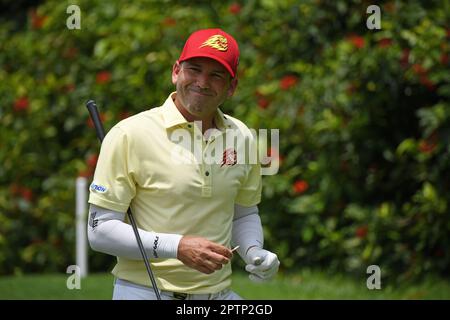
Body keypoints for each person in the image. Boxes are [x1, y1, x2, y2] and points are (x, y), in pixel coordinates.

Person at [87, 28, 280, 300]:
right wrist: (177, 247)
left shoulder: (243, 136)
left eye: (216, 75)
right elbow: (100, 231)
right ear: (176, 71)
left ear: (231, 87)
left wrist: (254, 251)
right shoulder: (129, 134)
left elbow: (244, 214)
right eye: (194, 69)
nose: (202, 82)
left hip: (219, 295)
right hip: (145, 293)